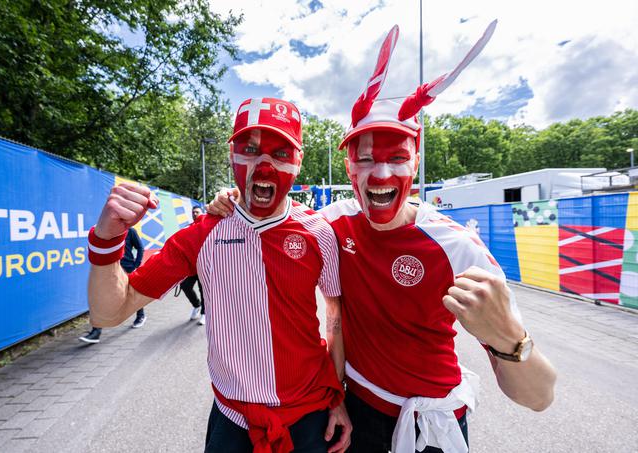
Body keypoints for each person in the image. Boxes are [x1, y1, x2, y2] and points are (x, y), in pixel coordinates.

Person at [207, 22, 556, 453]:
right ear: (350, 167)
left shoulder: (456, 248)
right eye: (366, 158)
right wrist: (231, 200)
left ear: (416, 161)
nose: (381, 173)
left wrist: (509, 339)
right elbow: (277, 217)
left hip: (431, 425)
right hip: (357, 414)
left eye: (397, 158)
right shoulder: (332, 224)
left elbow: (539, 397)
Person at [85, 97, 352, 452]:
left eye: (281, 153)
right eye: (250, 149)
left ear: (299, 162)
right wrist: (107, 239)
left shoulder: (318, 232)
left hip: (310, 413)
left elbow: (334, 317)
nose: (264, 165)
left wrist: (337, 397)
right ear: (231, 155)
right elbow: (109, 312)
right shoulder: (204, 233)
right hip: (234, 418)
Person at [80, 226, 145, 343]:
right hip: (111, 269)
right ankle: (96, 331)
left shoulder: (130, 231)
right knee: (102, 297)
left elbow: (140, 247)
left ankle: (140, 316)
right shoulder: (107, 231)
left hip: (127, 268)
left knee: (132, 293)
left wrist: (136, 264)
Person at [181, 206, 206, 325]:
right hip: (190, 268)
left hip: (204, 266)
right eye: (193, 212)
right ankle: (196, 305)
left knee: (204, 291)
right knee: (185, 286)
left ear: (203, 213)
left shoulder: (208, 227)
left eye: (197, 212)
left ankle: (204, 313)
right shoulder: (188, 228)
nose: (195, 214)